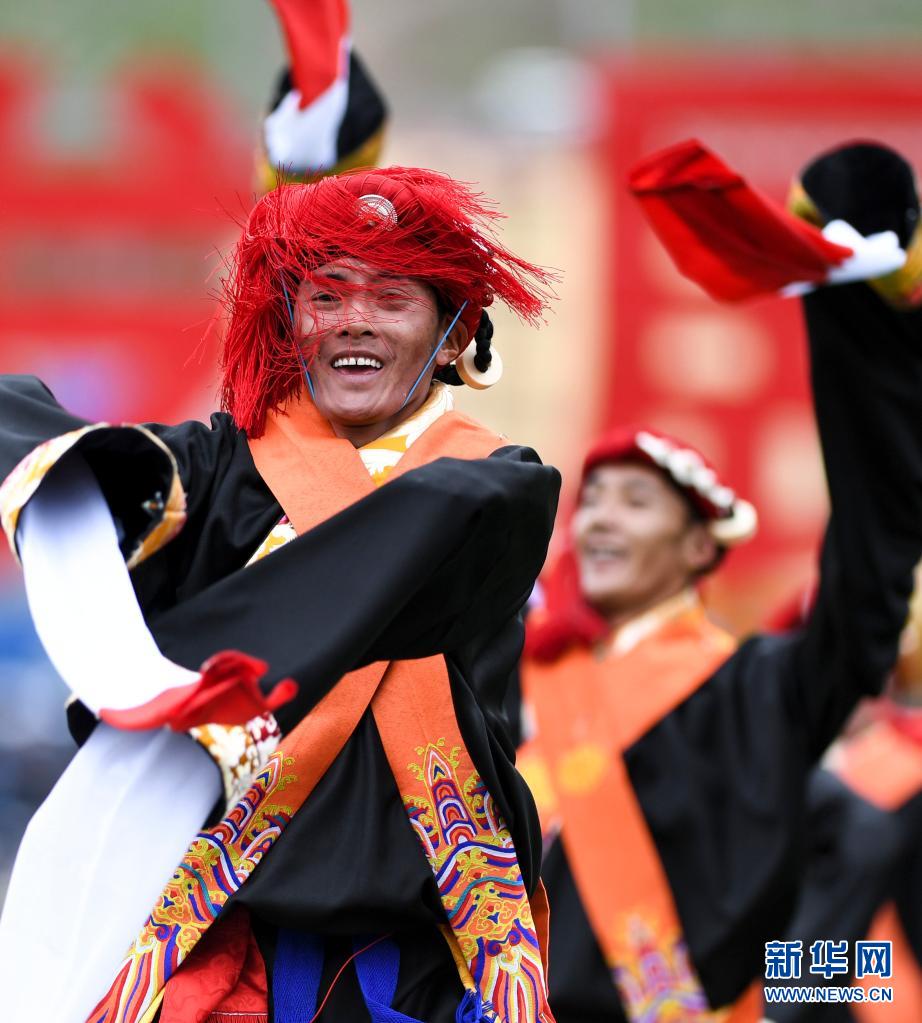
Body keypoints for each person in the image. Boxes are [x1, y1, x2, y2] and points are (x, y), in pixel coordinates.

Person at [0, 168, 560, 1023]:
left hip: (425, 963)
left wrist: (209, 660)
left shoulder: (498, 484)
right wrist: (144, 675)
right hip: (223, 952)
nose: (354, 320)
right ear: (288, 323)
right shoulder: (218, 472)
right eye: (325, 296)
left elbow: (442, 516)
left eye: (391, 298)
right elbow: (35, 430)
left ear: (454, 337)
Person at [517, 140, 922, 1023]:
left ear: (703, 546)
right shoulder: (515, 677)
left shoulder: (760, 691)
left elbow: (870, 561)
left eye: (636, 501)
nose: (600, 520)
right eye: (593, 500)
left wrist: (792, 999)